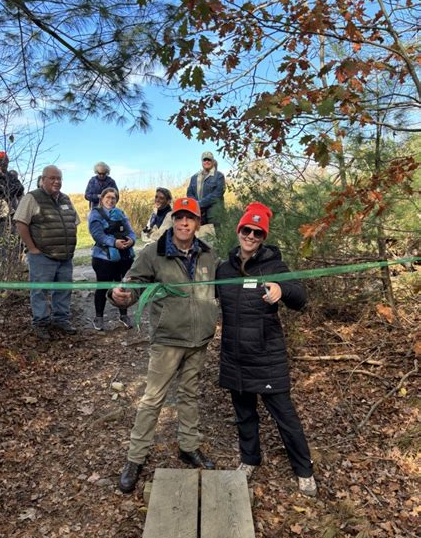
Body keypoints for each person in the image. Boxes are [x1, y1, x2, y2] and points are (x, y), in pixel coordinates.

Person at [111, 197, 220, 493]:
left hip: (199, 339)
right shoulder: (153, 253)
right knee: (153, 398)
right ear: (173, 220)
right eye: (180, 217)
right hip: (168, 339)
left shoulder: (208, 254)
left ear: (197, 223)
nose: (184, 223)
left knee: (189, 394)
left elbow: (225, 285)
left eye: (190, 218)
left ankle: (189, 446)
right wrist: (121, 296)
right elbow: (131, 284)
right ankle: (135, 458)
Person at [216, 202, 317, 497]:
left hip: (266, 355)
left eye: (257, 232)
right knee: (244, 414)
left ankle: (304, 470)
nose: (250, 236)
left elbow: (300, 298)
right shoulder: (224, 268)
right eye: (246, 229)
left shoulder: (274, 265)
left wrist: (281, 289)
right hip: (235, 354)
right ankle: (249, 460)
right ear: (239, 230)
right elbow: (202, 293)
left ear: (263, 237)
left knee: (285, 416)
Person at [13, 165, 79, 340]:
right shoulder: (32, 198)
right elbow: (20, 223)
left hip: (65, 256)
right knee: (40, 291)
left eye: (59, 178)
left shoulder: (66, 199)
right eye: (52, 178)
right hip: (42, 255)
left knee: (64, 289)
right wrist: (32, 248)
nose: (56, 181)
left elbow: (74, 221)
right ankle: (40, 323)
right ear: (43, 180)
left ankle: (61, 320)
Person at [88, 187, 136, 330]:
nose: (110, 200)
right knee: (102, 287)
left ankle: (123, 315)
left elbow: (131, 232)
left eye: (113, 198)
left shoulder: (121, 213)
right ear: (102, 199)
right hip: (103, 258)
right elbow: (97, 234)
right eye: (107, 197)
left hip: (123, 256)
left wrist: (131, 241)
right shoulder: (95, 214)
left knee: (122, 285)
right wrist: (113, 243)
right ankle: (99, 317)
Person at [0, 151, 25, 264]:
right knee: (1, 241)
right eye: (1, 161)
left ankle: (15, 264)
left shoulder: (11, 175)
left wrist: (11, 190)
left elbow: (20, 188)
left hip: (13, 213)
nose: (4, 163)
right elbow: (0, 191)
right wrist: (12, 190)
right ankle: (3, 266)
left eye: (6, 161)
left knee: (16, 239)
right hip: (0, 214)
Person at [187, 152, 225, 227]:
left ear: (213, 162)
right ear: (202, 162)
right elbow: (189, 193)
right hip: (198, 212)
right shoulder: (194, 177)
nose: (207, 161)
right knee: (199, 236)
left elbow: (217, 194)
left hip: (214, 214)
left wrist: (199, 203)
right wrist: (195, 204)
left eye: (209, 160)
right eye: (205, 160)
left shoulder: (219, 176)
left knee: (215, 236)